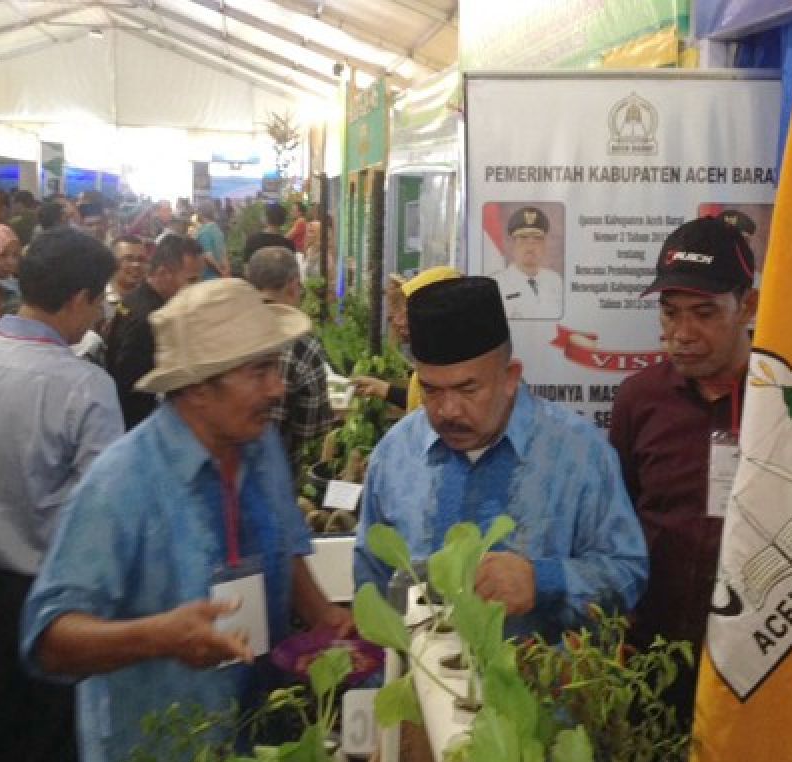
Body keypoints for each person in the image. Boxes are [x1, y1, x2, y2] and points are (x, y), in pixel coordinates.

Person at [20, 279, 354, 762]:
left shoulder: (258, 442)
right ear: (199, 387)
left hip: (260, 756)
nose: (278, 388)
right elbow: (48, 640)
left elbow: (284, 542)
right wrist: (161, 636)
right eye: (259, 372)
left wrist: (322, 616)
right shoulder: (121, 484)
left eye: (276, 367)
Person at [354, 276, 647, 642]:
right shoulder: (395, 456)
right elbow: (371, 581)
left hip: (542, 693)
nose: (447, 410)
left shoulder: (579, 455)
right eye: (430, 390)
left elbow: (628, 574)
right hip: (423, 691)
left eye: (467, 389)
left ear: (510, 377)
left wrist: (543, 580)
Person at [0, 227, 123, 762]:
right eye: (98, 301)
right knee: (50, 757)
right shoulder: (86, 386)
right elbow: (103, 511)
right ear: (79, 299)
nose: (96, 316)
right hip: (55, 601)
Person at [608, 215, 759, 754]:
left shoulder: (790, 404)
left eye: (704, 313)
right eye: (670, 313)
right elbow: (618, 523)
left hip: (757, 663)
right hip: (655, 658)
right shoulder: (639, 399)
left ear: (748, 306)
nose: (682, 334)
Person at [245, 246, 335, 474]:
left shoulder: (231, 332)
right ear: (294, 286)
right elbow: (312, 437)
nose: (274, 389)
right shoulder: (304, 347)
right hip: (281, 477)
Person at [105, 234, 203, 428]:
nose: (197, 288)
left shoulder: (137, 299)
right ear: (164, 273)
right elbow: (130, 386)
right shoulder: (150, 318)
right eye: (191, 280)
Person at [352, 267, 461, 413]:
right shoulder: (432, 361)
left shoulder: (449, 368)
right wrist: (382, 389)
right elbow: (419, 405)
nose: (397, 321)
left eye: (409, 310)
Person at [491, 206, 563, 319]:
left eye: (537, 239)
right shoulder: (496, 284)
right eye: (523, 238)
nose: (530, 246)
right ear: (511, 245)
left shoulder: (555, 280)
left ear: (544, 245)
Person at [194, 200, 230, 279]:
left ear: (201, 213)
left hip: (210, 277)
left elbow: (208, 256)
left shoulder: (203, 232)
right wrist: (227, 271)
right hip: (223, 274)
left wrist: (221, 272)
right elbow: (224, 252)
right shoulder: (217, 229)